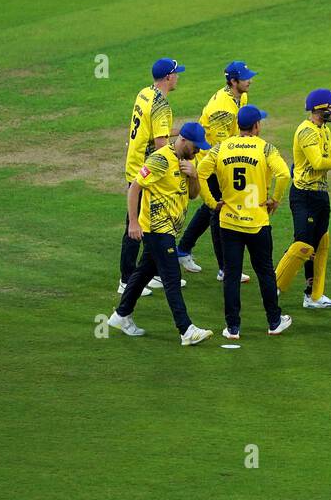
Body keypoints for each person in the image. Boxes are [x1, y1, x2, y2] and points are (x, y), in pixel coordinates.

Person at [108, 122, 215, 346]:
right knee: (172, 278)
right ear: (183, 140)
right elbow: (134, 188)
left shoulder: (188, 160)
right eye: (196, 146)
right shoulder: (159, 160)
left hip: (170, 229)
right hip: (157, 229)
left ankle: (121, 315)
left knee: (143, 273)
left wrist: (194, 176)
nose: (198, 151)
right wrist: (134, 223)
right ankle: (186, 330)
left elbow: (194, 196)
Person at [195, 104, 292, 339]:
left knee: (231, 274)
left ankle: (232, 327)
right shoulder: (266, 149)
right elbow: (284, 175)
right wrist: (275, 200)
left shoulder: (221, 148)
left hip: (229, 222)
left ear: (239, 125)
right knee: (265, 273)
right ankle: (273, 321)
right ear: (257, 126)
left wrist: (210, 201)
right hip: (257, 222)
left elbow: (200, 172)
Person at [274, 89, 331, 310]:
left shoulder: (324, 130)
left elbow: (327, 160)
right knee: (303, 244)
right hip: (303, 195)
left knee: (320, 243)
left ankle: (314, 296)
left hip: (321, 194)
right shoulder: (306, 131)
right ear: (320, 110)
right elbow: (318, 162)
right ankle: (273, 285)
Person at [178, 60, 255, 282]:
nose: (250, 80)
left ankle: (183, 249)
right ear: (233, 81)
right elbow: (219, 148)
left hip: (218, 155)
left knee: (212, 205)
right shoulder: (222, 110)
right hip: (209, 160)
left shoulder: (240, 97)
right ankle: (224, 268)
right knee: (218, 210)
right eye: (245, 77)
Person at [118, 57, 183, 297]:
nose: (178, 77)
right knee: (135, 224)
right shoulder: (161, 105)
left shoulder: (145, 94)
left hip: (134, 162)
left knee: (149, 221)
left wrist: (184, 131)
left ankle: (152, 273)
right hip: (145, 170)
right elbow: (160, 143)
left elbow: (155, 130)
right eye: (176, 74)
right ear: (168, 77)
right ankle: (126, 278)